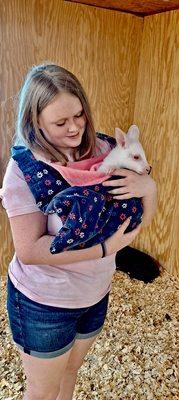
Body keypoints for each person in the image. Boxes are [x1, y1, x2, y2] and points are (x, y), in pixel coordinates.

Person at [0, 63, 157, 400]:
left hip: (94, 294)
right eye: (60, 122)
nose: (74, 128)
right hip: (44, 303)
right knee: (43, 391)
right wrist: (104, 249)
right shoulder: (25, 171)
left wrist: (149, 188)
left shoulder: (104, 151)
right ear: (35, 121)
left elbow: (138, 222)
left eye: (79, 115)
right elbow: (30, 249)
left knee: (70, 374)